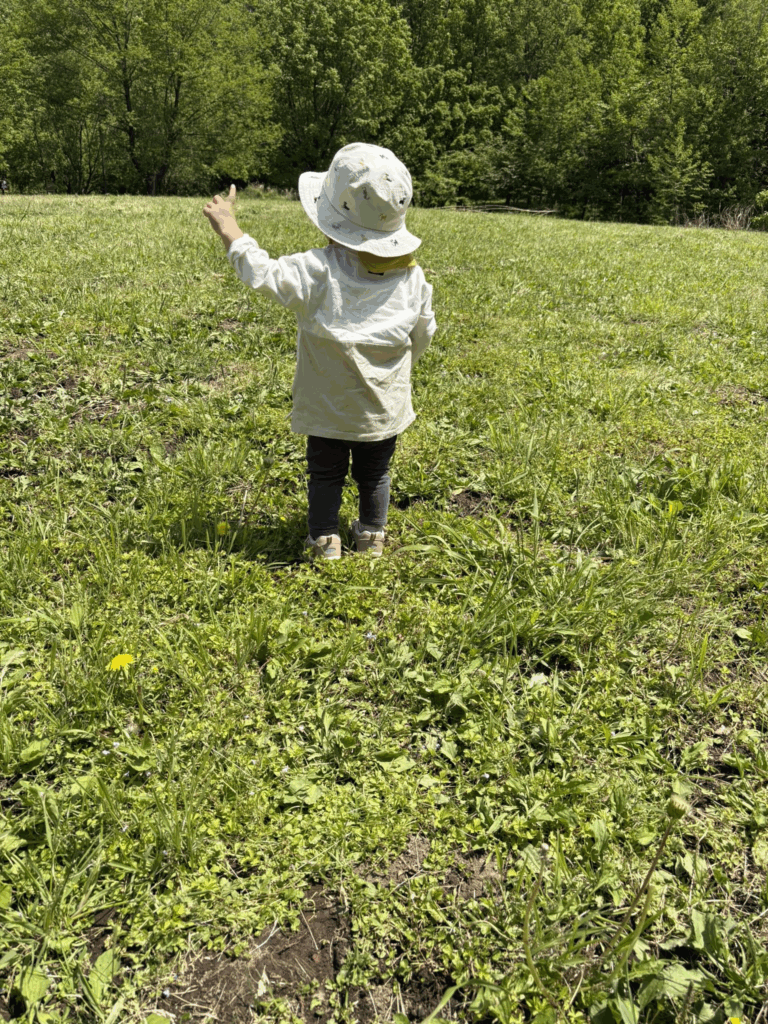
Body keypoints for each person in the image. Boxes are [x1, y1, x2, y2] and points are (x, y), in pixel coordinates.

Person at [203, 143, 437, 561]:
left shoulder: (316, 269)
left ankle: (324, 542)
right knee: (375, 473)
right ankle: (372, 537)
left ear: (330, 219)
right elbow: (423, 333)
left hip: (327, 407)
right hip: (383, 407)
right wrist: (399, 371)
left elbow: (263, 273)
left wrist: (229, 227)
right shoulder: (412, 278)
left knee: (325, 474)